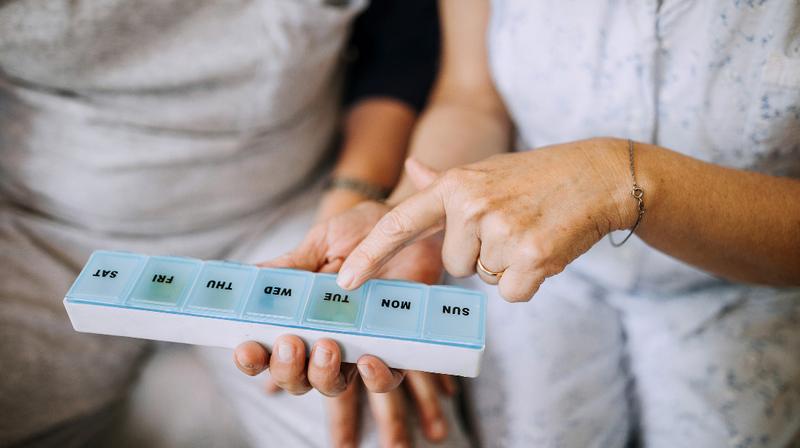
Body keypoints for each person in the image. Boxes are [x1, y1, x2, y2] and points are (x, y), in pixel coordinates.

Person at [238, 0, 800, 446]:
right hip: (521, 271)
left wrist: (624, 179)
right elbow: (471, 99)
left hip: (745, 275)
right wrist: (410, 220)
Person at [0, 1, 463, 446]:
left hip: (301, 214)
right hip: (43, 229)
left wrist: (355, 198)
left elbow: (398, 47)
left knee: (385, 425)